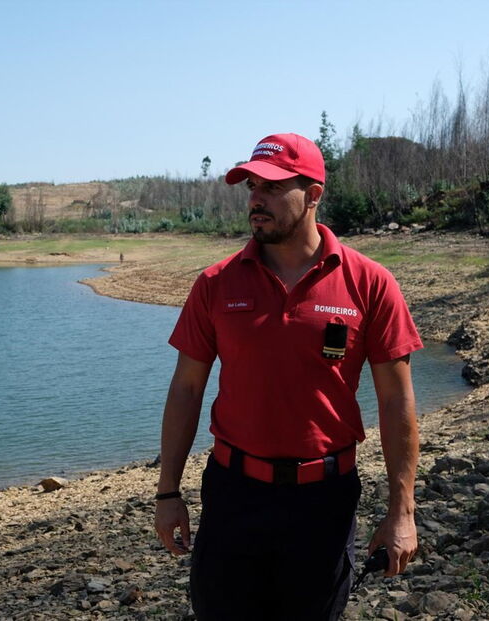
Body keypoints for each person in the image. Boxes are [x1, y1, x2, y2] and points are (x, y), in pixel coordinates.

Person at [153, 133, 421, 620]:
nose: (257, 199)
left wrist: (402, 511)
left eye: (273, 188)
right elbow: (186, 388)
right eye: (252, 186)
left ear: (313, 194)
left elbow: (396, 402)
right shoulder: (216, 284)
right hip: (234, 493)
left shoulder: (370, 283)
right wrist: (168, 492)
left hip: (324, 499)